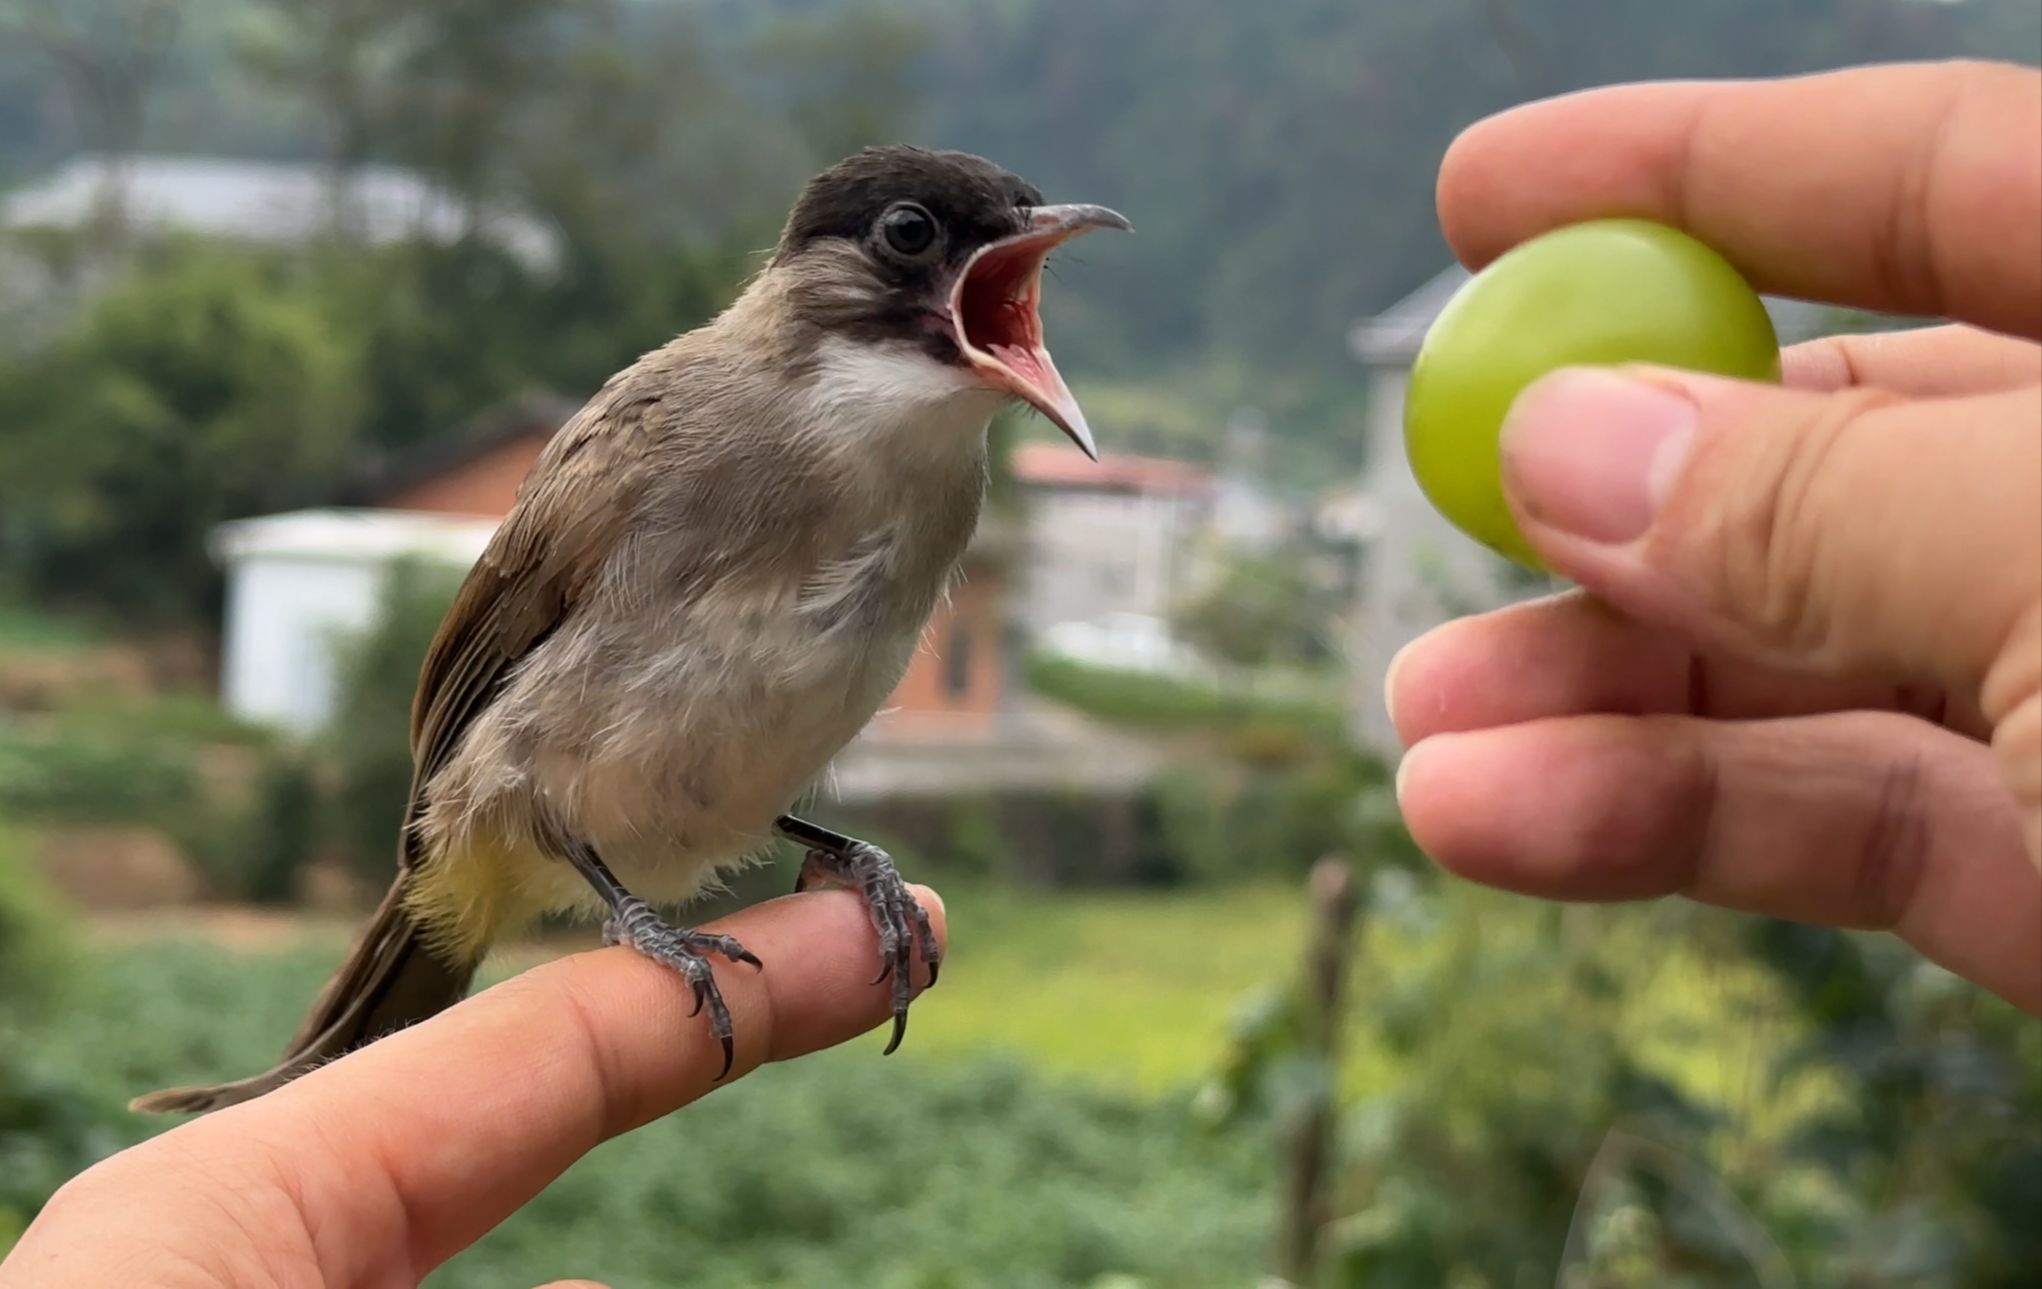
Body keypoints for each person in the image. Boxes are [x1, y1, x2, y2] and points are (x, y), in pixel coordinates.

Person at [4, 57, 2037, 1289]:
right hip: (524, 806)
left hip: (696, 818)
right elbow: (494, 714)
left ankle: (746, 904)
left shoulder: (942, 494)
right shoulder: (663, 434)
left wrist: (821, 860)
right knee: (431, 1015)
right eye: (912, 243)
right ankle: (327, 1065)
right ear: (811, 280)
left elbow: (767, 719)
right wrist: (621, 918)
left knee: (789, 880)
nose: (966, 271)